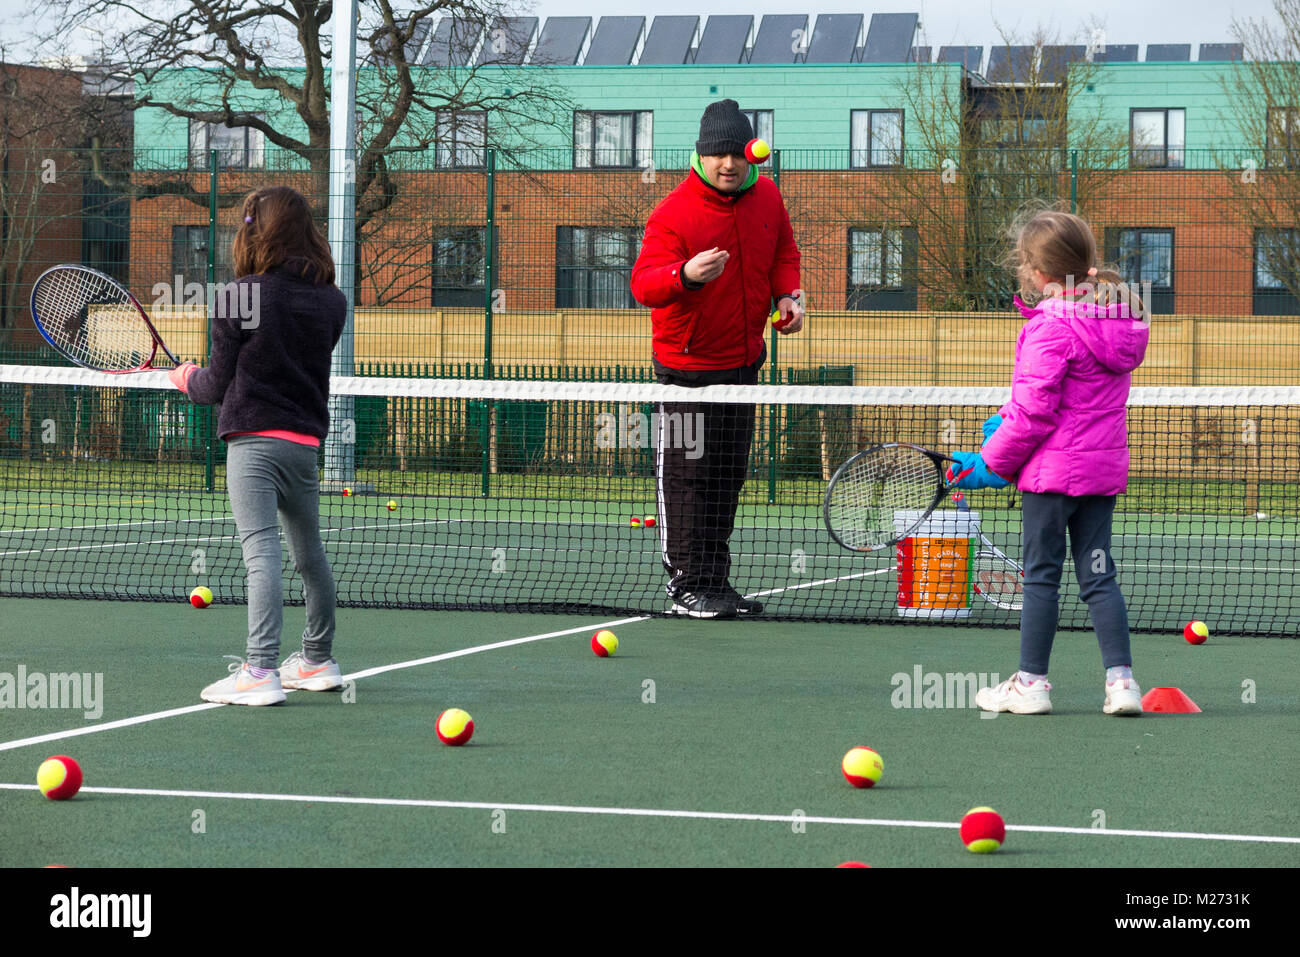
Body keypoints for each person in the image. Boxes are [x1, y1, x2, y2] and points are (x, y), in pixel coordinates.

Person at [949, 208, 1150, 715]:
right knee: (1099, 574)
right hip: (1099, 477)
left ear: (1037, 274)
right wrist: (1004, 422)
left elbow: (1035, 415)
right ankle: (1122, 683)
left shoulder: (1050, 329)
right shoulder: (1118, 322)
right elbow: (1053, 404)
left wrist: (990, 463)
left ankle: (1031, 685)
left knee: (1041, 576)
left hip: (1050, 479)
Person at [168, 186, 348, 705]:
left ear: (252, 231)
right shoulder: (332, 302)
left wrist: (185, 378)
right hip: (304, 444)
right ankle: (317, 661)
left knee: (261, 552)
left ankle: (260, 670)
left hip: (253, 442)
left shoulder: (240, 296)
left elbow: (214, 386)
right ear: (307, 231)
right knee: (308, 553)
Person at [631, 99, 802, 619]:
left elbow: (783, 255)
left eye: (737, 154)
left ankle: (716, 582)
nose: (728, 164)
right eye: (718, 154)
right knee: (687, 478)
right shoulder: (672, 213)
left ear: (752, 153)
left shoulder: (768, 197)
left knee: (728, 473)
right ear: (701, 155)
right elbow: (642, 285)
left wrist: (787, 297)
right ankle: (686, 584)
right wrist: (684, 275)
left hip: (742, 368)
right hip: (685, 374)